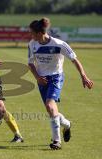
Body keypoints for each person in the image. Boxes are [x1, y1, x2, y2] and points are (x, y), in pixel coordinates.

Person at [27, 17, 93, 150]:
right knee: (51, 110)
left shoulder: (59, 44)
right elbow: (30, 63)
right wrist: (37, 77)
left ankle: (56, 141)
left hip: (56, 77)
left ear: (40, 33)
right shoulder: (32, 44)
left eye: (32, 33)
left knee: (50, 106)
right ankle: (67, 124)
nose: (30, 35)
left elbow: (74, 60)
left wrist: (83, 76)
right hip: (42, 79)